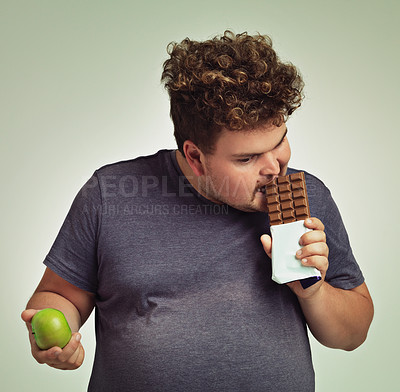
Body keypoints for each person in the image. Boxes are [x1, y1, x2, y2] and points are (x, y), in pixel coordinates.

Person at [21, 31, 374, 391]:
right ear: (195, 156)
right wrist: (56, 333)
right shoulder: (109, 194)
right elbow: (60, 295)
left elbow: (353, 333)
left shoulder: (309, 196)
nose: (275, 167)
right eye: (247, 158)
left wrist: (313, 292)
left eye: (279, 141)